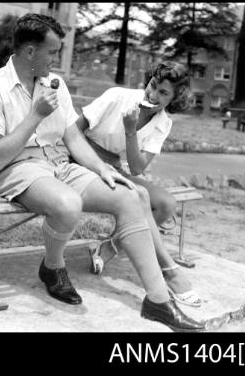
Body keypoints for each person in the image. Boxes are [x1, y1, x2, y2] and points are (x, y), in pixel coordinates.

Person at [0, 13, 205, 332]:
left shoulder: (56, 85)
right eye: (53, 52)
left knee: (129, 195)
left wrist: (102, 169)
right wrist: (35, 116)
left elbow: (74, 138)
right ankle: (53, 268)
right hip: (14, 169)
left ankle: (158, 301)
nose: (58, 58)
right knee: (68, 205)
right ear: (29, 52)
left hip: (58, 165)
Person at [76, 60, 202, 307]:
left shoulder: (164, 122)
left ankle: (112, 245)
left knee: (166, 204)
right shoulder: (117, 96)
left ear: (173, 100)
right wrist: (92, 164)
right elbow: (74, 131)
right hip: (82, 158)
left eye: (163, 93)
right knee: (140, 195)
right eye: (153, 85)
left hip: (113, 166)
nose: (153, 94)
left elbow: (137, 167)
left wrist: (130, 130)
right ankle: (170, 272)